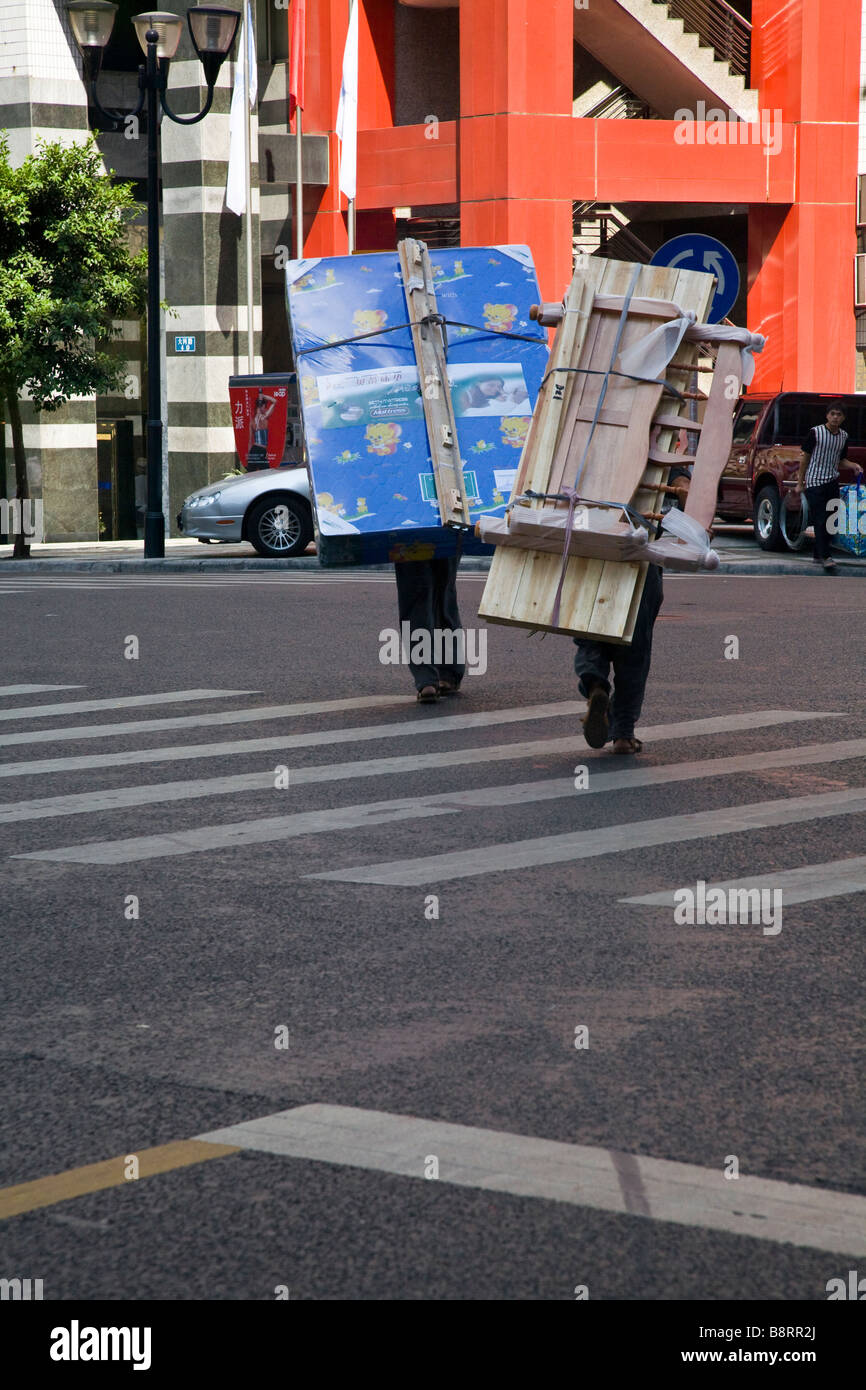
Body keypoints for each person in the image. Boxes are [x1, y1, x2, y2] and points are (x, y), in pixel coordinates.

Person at [574, 467, 691, 754]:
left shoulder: (597, 451)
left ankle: (595, 687)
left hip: (594, 551)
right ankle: (623, 734)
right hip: (642, 561)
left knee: (591, 632)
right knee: (634, 649)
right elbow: (687, 491)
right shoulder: (661, 456)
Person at [794, 402, 862, 573]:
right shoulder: (815, 433)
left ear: (843, 418)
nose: (835, 418)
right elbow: (805, 458)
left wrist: (853, 465)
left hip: (832, 480)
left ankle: (818, 553)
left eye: (839, 415)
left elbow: (840, 459)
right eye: (832, 414)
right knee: (820, 518)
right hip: (815, 481)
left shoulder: (843, 436)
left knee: (831, 520)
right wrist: (800, 483)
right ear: (827, 415)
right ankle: (826, 556)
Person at [394, 555, 465, 702]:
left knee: (414, 596)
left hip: (408, 534)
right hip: (446, 532)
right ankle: (448, 675)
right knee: (444, 593)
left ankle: (427, 681)